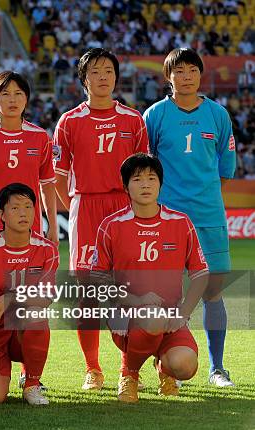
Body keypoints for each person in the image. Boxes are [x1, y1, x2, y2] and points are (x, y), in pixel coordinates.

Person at [52, 48, 149, 391]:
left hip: (125, 210)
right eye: (95, 71)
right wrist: (78, 205)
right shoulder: (69, 122)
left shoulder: (133, 120)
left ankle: (128, 370)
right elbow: (58, 177)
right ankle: (93, 369)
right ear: (84, 79)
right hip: (87, 209)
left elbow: (144, 174)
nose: (103, 76)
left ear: (116, 77)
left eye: (108, 70)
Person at [143, 48, 237, 387]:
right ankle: (166, 367)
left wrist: (204, 195)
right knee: (164, 293)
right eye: (178, 71)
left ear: (200, 74)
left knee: (213, 291)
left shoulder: (217, 115)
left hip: (209, 216)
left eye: (192, 70)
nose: (186, 76)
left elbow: (225, 170)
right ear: (168, 77)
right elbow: (145, 167)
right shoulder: (154, 115)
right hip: (166, 219)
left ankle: (217, 368)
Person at [91, 153, 209, 402]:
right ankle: (129, 373)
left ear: (160, 183)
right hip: (126, 316)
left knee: (186, 365)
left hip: (170, 317)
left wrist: (183, 313)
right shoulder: (111, 225)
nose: (145, 184)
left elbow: (200, 274)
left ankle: (165, 370)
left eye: (151, 178)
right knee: (151, 317)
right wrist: (136, 300)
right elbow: (98, 278)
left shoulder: (180, 222)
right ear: (125, 187)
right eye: (137, 179)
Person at [0, 183, 58, 405]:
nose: (23, 213)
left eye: (29, 207)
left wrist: (10, 297)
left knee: (36, 315)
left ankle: (31, 384)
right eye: (15, 208)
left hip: (23, 329)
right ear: (1, 214)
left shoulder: (46, 249)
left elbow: (47, 296)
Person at [0, 71, 58, 251]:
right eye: (5, 94)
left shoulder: (40, 137)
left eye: (18, 93)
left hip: (31, 230)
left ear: (26, 98)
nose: (12, 100)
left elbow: (47, 185)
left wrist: (52, 224)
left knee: (28, 280)